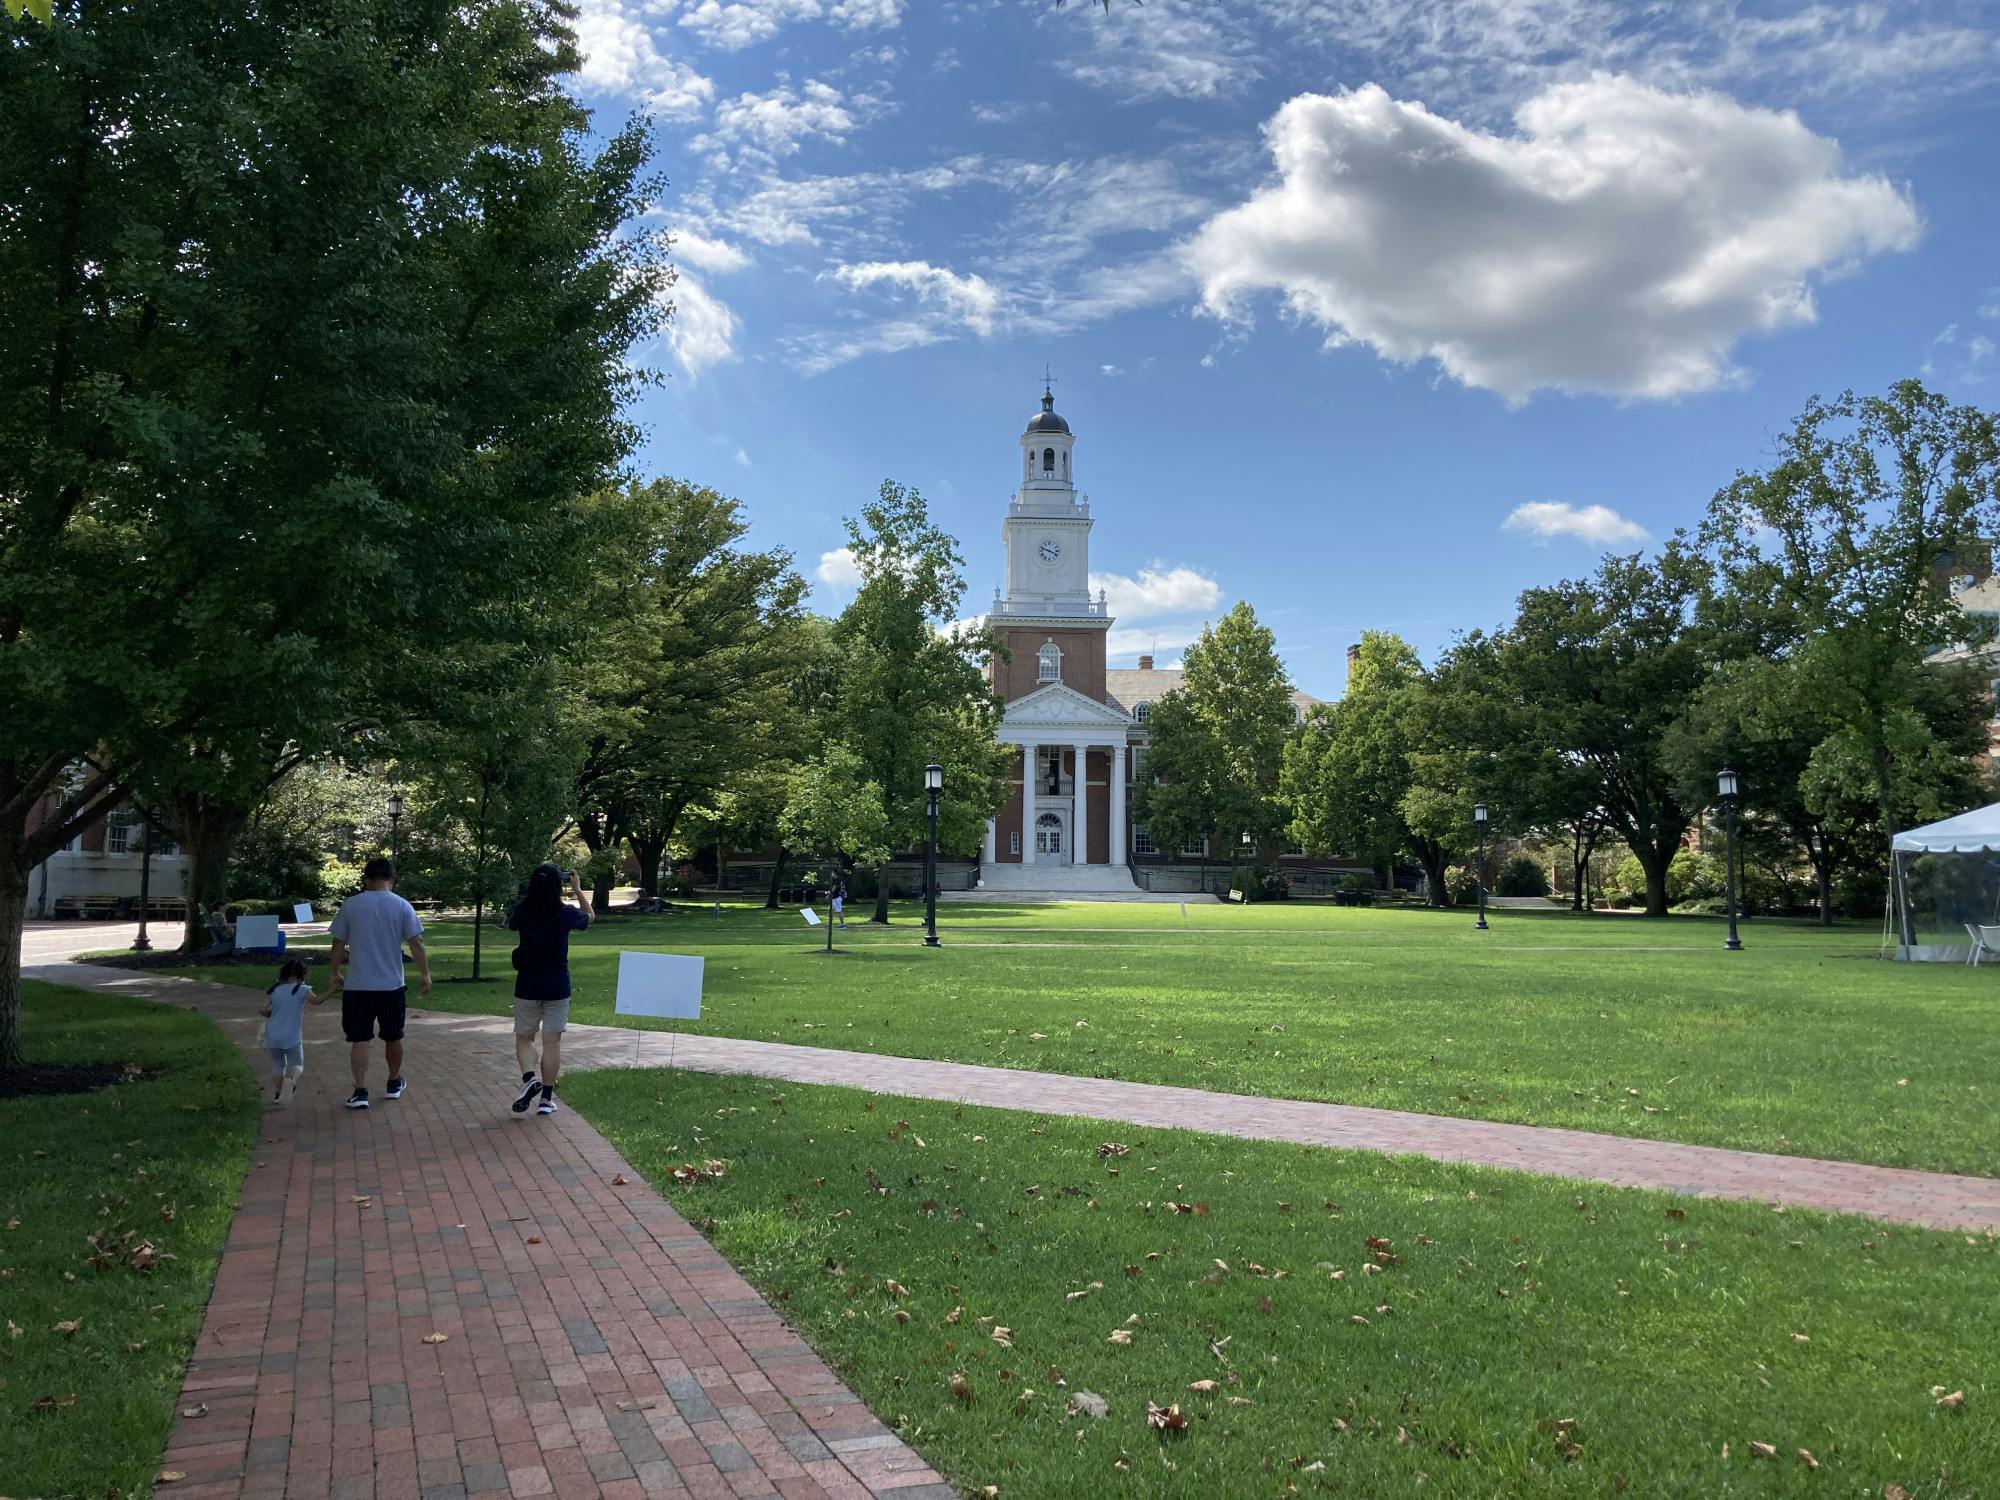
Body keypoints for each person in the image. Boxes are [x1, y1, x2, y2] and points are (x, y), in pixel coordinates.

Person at [325, 857, 431, 1110]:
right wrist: (424, 973)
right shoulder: (402, 906)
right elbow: (416, 943)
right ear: (391, 879)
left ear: (366, 879)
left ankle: (360, 1090)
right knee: (393, 1036)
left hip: (358, 985)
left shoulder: (351, 905)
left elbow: (338, 943)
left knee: (360, 1038)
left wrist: (334, 972)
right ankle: (393, 1082)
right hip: (391, 985)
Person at [505, 864, 591, 1116]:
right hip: (557, 984)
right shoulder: (564, 913)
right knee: (552, 1041)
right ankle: (546, 1099)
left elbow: (511, 923)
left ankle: (530, 1078)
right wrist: (577, 889)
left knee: (524, 1037)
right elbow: (591, 916)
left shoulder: (523, 910)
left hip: (527, 983)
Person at [259, 957, 322, 1106]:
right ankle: (290, 1080)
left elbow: (261, 1009)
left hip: (273, 1035)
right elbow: (317, 1001)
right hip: (291, 1036)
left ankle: (279, 1093)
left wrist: (269, 1014)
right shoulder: (301, 989)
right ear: (299, 976)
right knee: (297, 1065)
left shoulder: (274, 990)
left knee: (278, 1065)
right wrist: (333, 989)